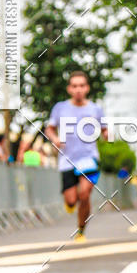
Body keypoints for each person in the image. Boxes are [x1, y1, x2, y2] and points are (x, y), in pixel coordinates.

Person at [45, 71, 107, 241]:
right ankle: (71, 204)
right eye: (74, 86)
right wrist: (55, 138)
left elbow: (105, 129)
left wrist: (107, 134)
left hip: (88, 158)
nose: (78, 89)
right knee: (71, 200)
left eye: (81, 85)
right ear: (69, 89)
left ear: (87, 88)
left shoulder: (95, 109)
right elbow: (49, 128)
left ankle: (81, 229)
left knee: (84, 194)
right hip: (67, 160)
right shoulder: (60, 108)